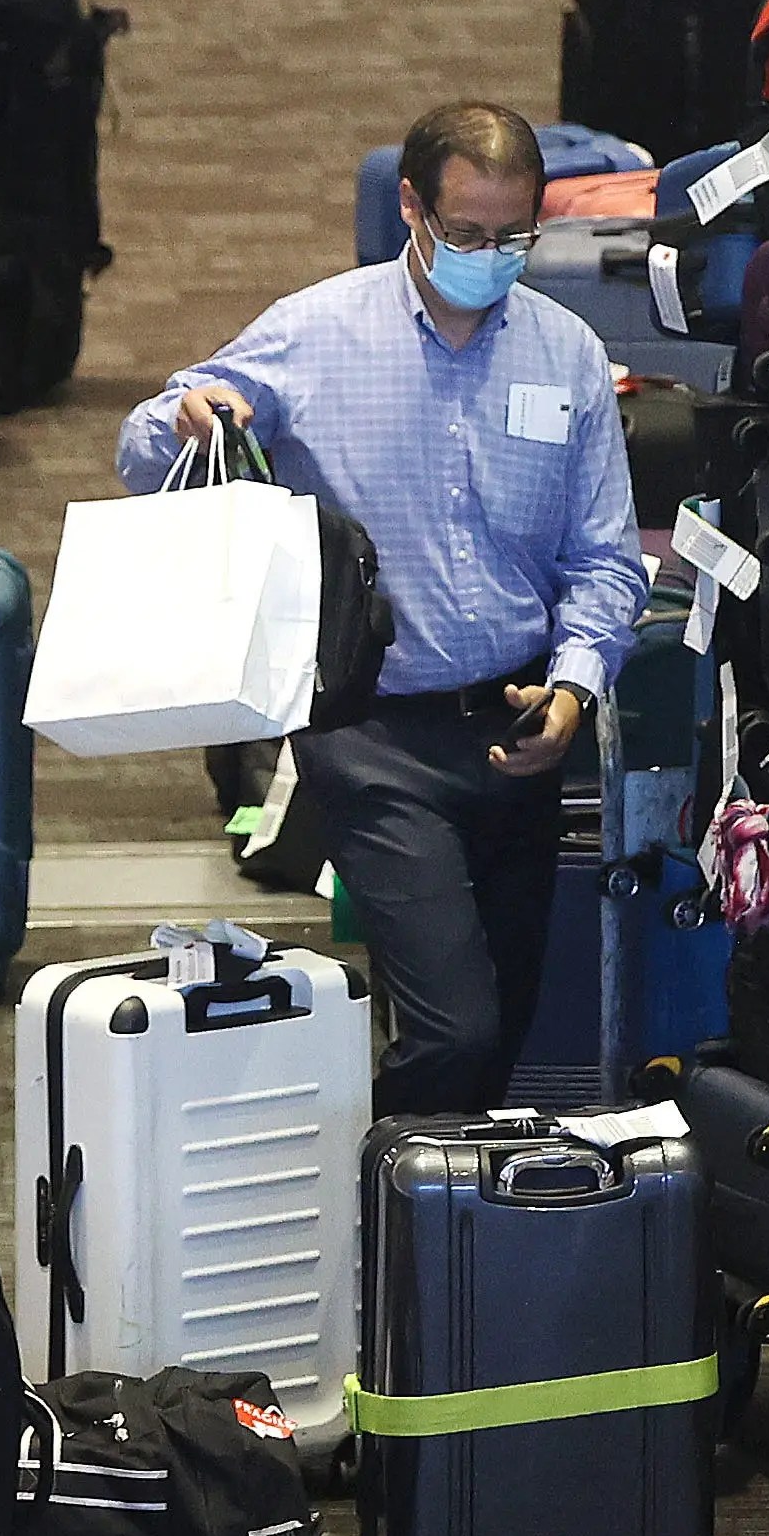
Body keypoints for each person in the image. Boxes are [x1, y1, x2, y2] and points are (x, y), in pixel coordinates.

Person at [119, 101, 647, 1115]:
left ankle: (415, 1198)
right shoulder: (316, 332)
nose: (491, 257)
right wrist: (185, 412)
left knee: (503, 1031)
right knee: (457, 1027)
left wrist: (576, 688)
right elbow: (145, 451)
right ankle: (369, 1184)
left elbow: (604, 562)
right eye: (467, 233)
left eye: (514, 237)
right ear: (411, 206)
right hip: (371, 735)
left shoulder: (570, 353)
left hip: (519, 725)